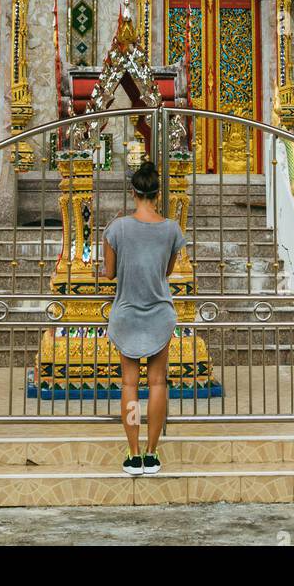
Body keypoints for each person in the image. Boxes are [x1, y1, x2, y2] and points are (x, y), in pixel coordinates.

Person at [103, 161, 185, 476]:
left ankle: (133, 453)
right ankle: (153, 453)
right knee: (158, 382)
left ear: (133, 192)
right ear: (157, 193)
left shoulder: (117, 228)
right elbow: (166, 271)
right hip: (159, 312)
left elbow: (110, 273)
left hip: (127, 312)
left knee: (129, 383)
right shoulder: (172, 229)